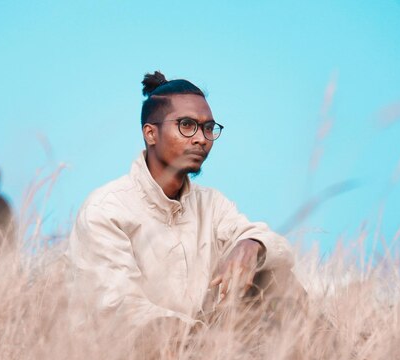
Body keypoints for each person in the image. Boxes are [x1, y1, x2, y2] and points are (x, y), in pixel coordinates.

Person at [68, 71, 302, 327]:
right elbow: (120, 310)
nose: (202, 138)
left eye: (209, 128)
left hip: (204, 350)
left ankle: (333, 359)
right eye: (187, 125)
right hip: (133, 353)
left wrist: (252, 244)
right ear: (150, 134)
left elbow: (281, 251)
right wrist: (204, 340)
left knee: (274, 275)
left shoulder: (212, 204)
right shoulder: (106, 210)